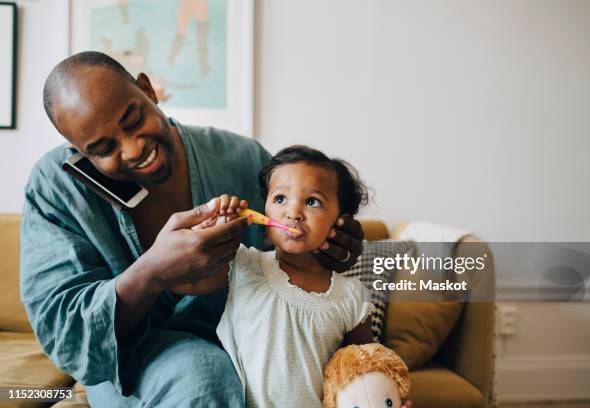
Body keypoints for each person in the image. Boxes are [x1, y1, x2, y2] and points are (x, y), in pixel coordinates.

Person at [20, 51, 364, 407]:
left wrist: (332, 248)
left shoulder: (242, 158)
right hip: (136, 365)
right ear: (77, 151)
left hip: (254, 349)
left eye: (134, 118)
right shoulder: (55, 188)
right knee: (202, 376)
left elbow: (293, 256)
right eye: (104, 149)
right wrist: (152, 273)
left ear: (147, 89)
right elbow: (65, 333)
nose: (135, 148)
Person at [186, 145, 373, 407]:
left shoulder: (352, 296)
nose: (293, 212)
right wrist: (214, 231)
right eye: (280, 199)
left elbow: (368, 369)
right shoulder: (242, 264)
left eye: (312, 201)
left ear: (340, 221)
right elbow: (188, 280)